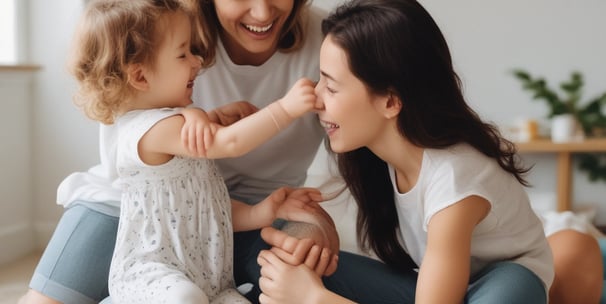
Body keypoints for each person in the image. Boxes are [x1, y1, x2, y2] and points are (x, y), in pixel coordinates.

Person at [18, 0, 602, 303]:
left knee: (300, 269)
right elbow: (142, 148)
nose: (264, 13)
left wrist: (311, 233)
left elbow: (357, 160)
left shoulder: (337, 43)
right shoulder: (163, 35)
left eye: (329, 87)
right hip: (146, 209)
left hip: (246, 216)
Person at [257, 0, 556, 303]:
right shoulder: (361, 150)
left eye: (331, 87)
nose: (315, 98)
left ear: (390, 102)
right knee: (312, 268)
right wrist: (306, 245)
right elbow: (313, 219)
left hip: (506, 282)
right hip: (442, 287)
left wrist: (313, 299)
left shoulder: (454, 178)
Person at [65, 0, 327, 303]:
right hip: (154, 272)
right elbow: (230, 143)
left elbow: (208, 206)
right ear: (140, 76)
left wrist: (263, 211)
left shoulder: (174, 127)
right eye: (183, 54)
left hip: (207, 274)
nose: (196, 62)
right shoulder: (148, 132)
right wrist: (285, 108)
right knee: (184, 297)